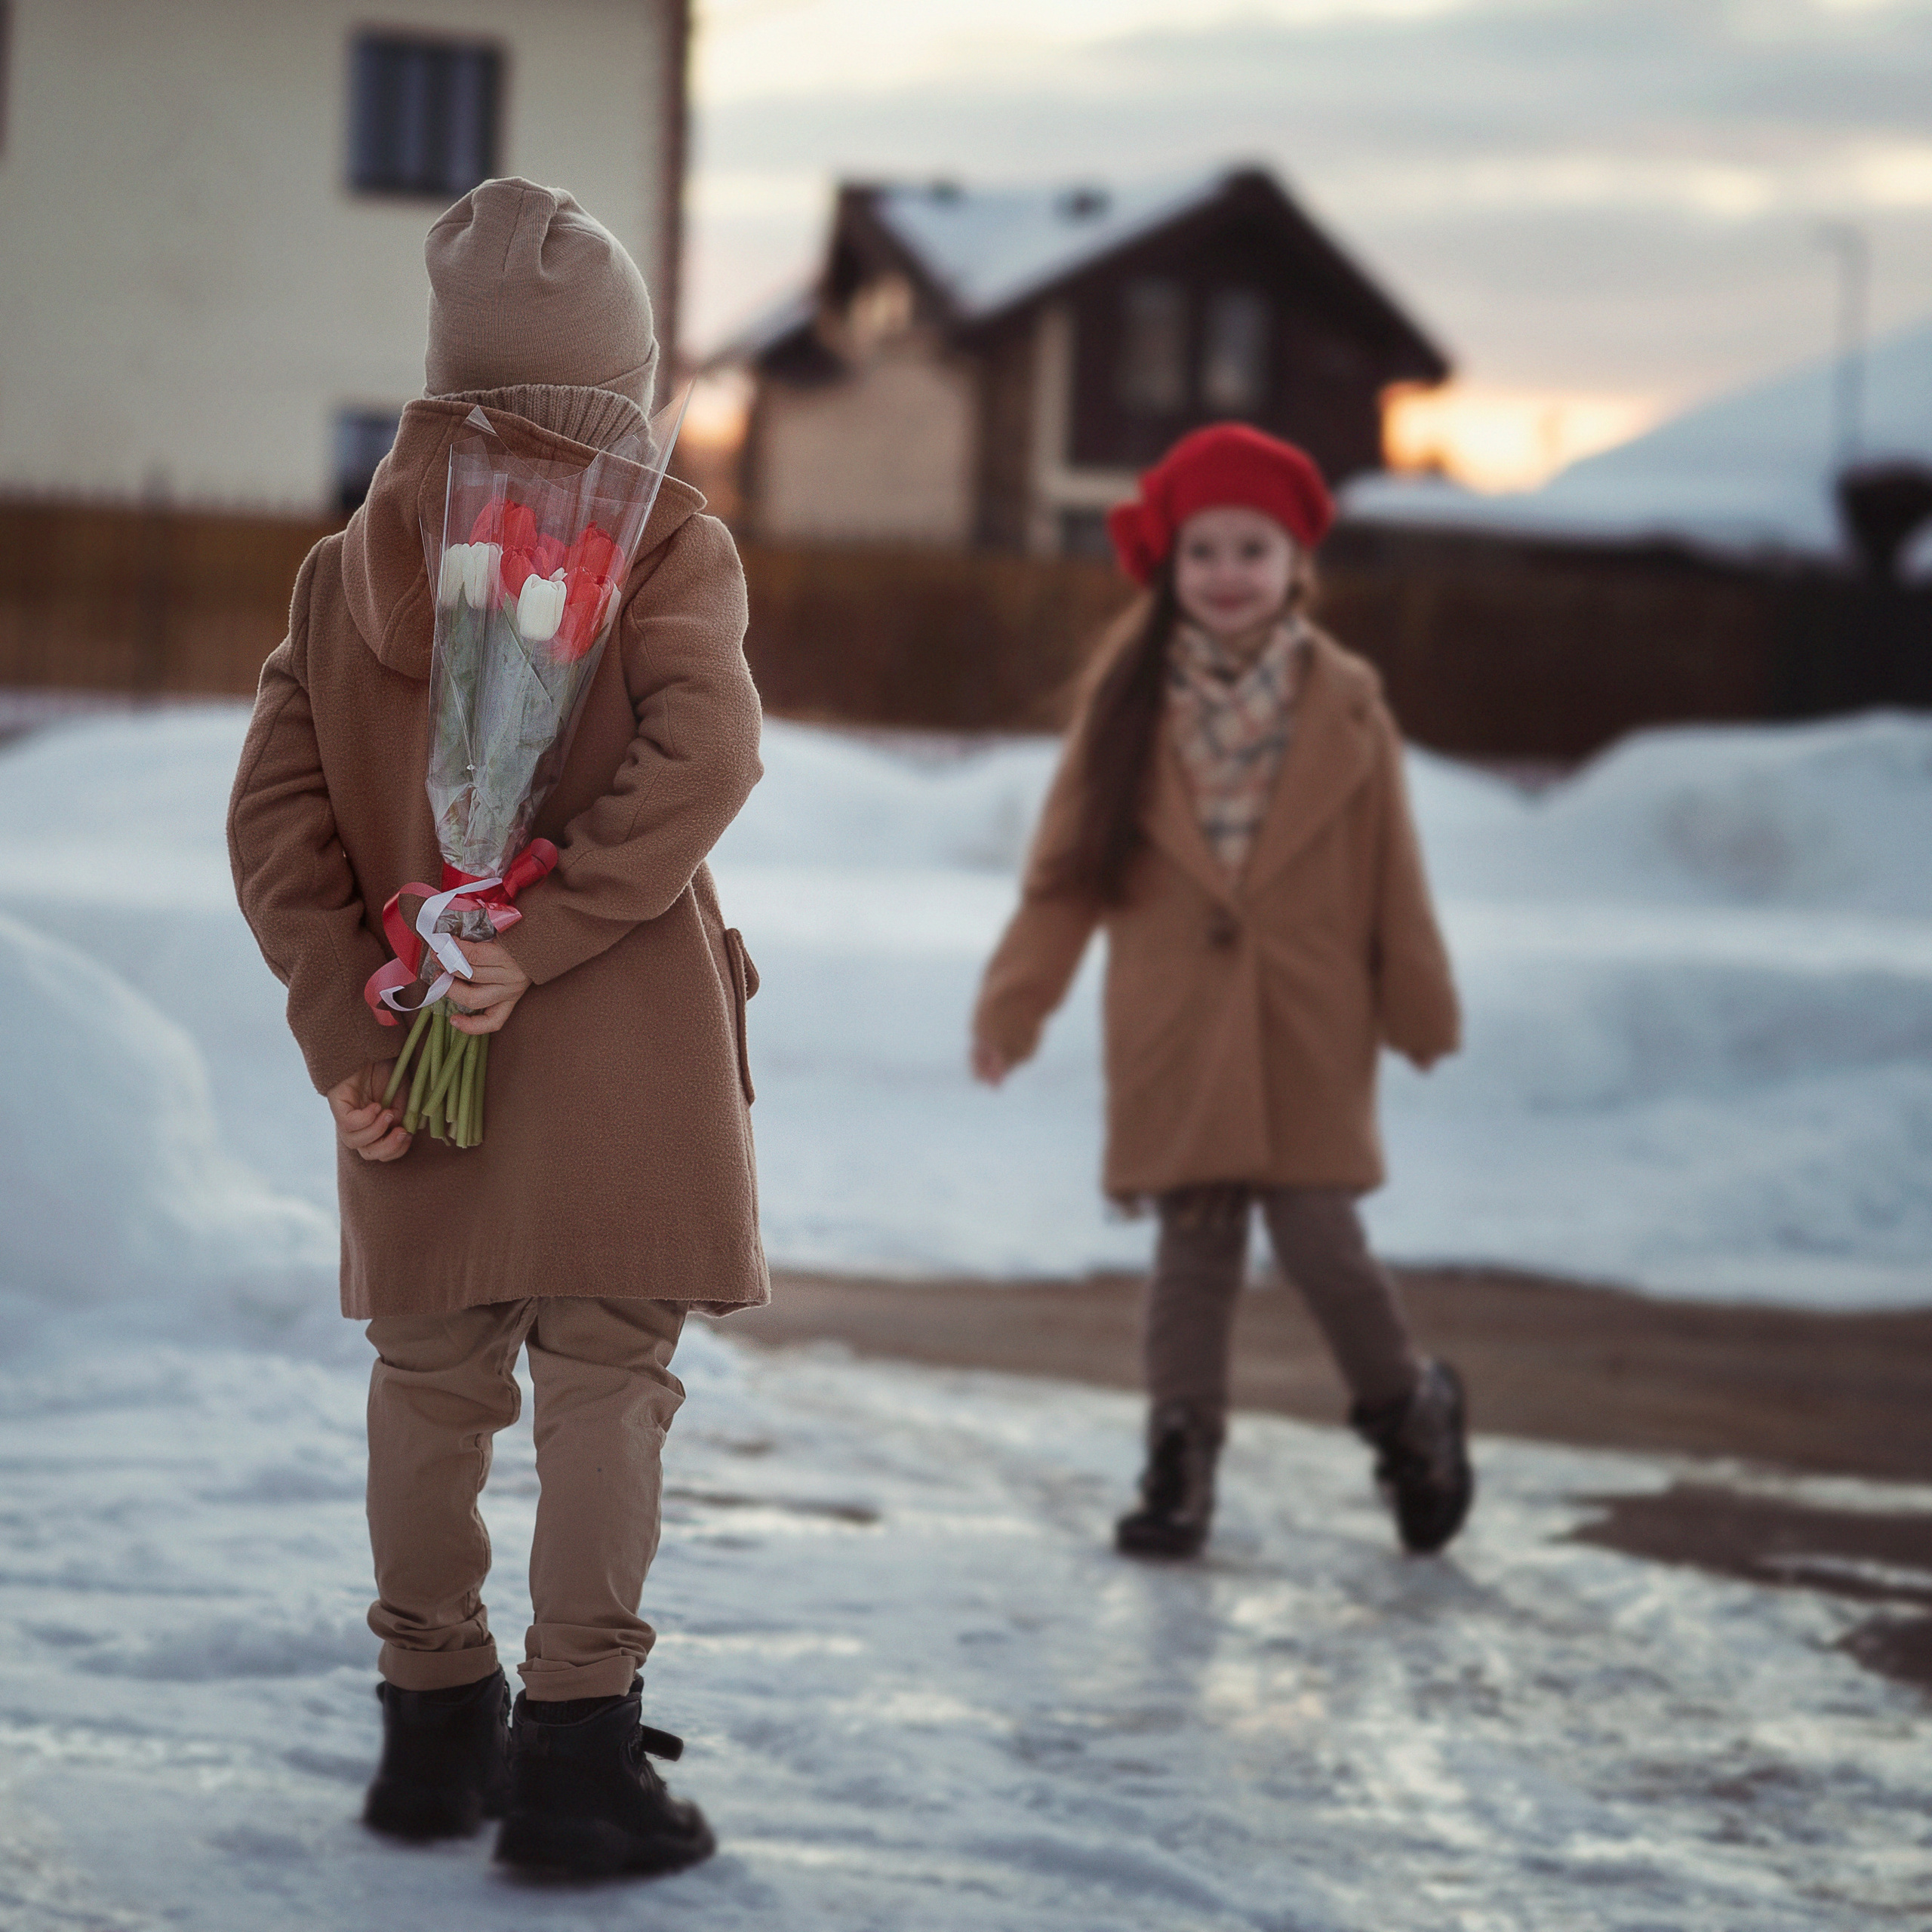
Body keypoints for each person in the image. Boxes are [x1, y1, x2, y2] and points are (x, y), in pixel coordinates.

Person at [227, 179, 765, 1879]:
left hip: (413, 1052)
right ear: (620, 386)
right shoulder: (664, 537)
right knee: (606, 1376)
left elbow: (276, 821)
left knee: (427, 1379)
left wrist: (345, 1031)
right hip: (618, 1054)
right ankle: (575, 1760)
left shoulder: (341, 571)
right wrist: (535, 936)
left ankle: (427, 1726)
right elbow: (706, 757)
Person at [971, 423, 1471, 1561]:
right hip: (1178, 1027)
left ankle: (1410, 1414)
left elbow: (1395, 870)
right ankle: (1180, 1461)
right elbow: (1063, 882)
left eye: (1254, 548)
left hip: (1307, 1022)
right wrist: (1015, 1005)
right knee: (1192, 1254)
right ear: (1170, 565)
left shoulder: (1347, 704)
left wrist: (1420, 1003)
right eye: (1205, 552)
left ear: (1299, 564)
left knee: (1322, 1244)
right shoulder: (1128, 707)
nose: (1229, 573)